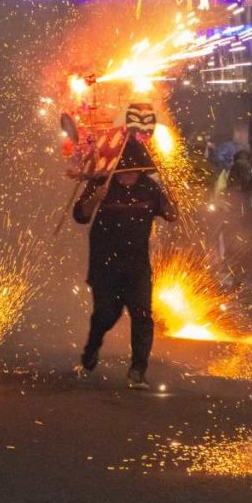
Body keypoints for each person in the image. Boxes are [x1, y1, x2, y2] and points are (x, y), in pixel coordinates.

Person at [73, 137, 177, 389]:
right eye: (124, 169)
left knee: (142, 315)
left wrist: (172, 196)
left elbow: (171, 215)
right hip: (105, 264)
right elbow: (81, 216)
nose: (129, 174)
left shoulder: (149, 188)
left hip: (137, 265)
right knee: (107, 314)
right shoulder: (102, 183)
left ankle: (138, 370)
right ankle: (91, 350)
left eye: (134, 169)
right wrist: (95, 199)